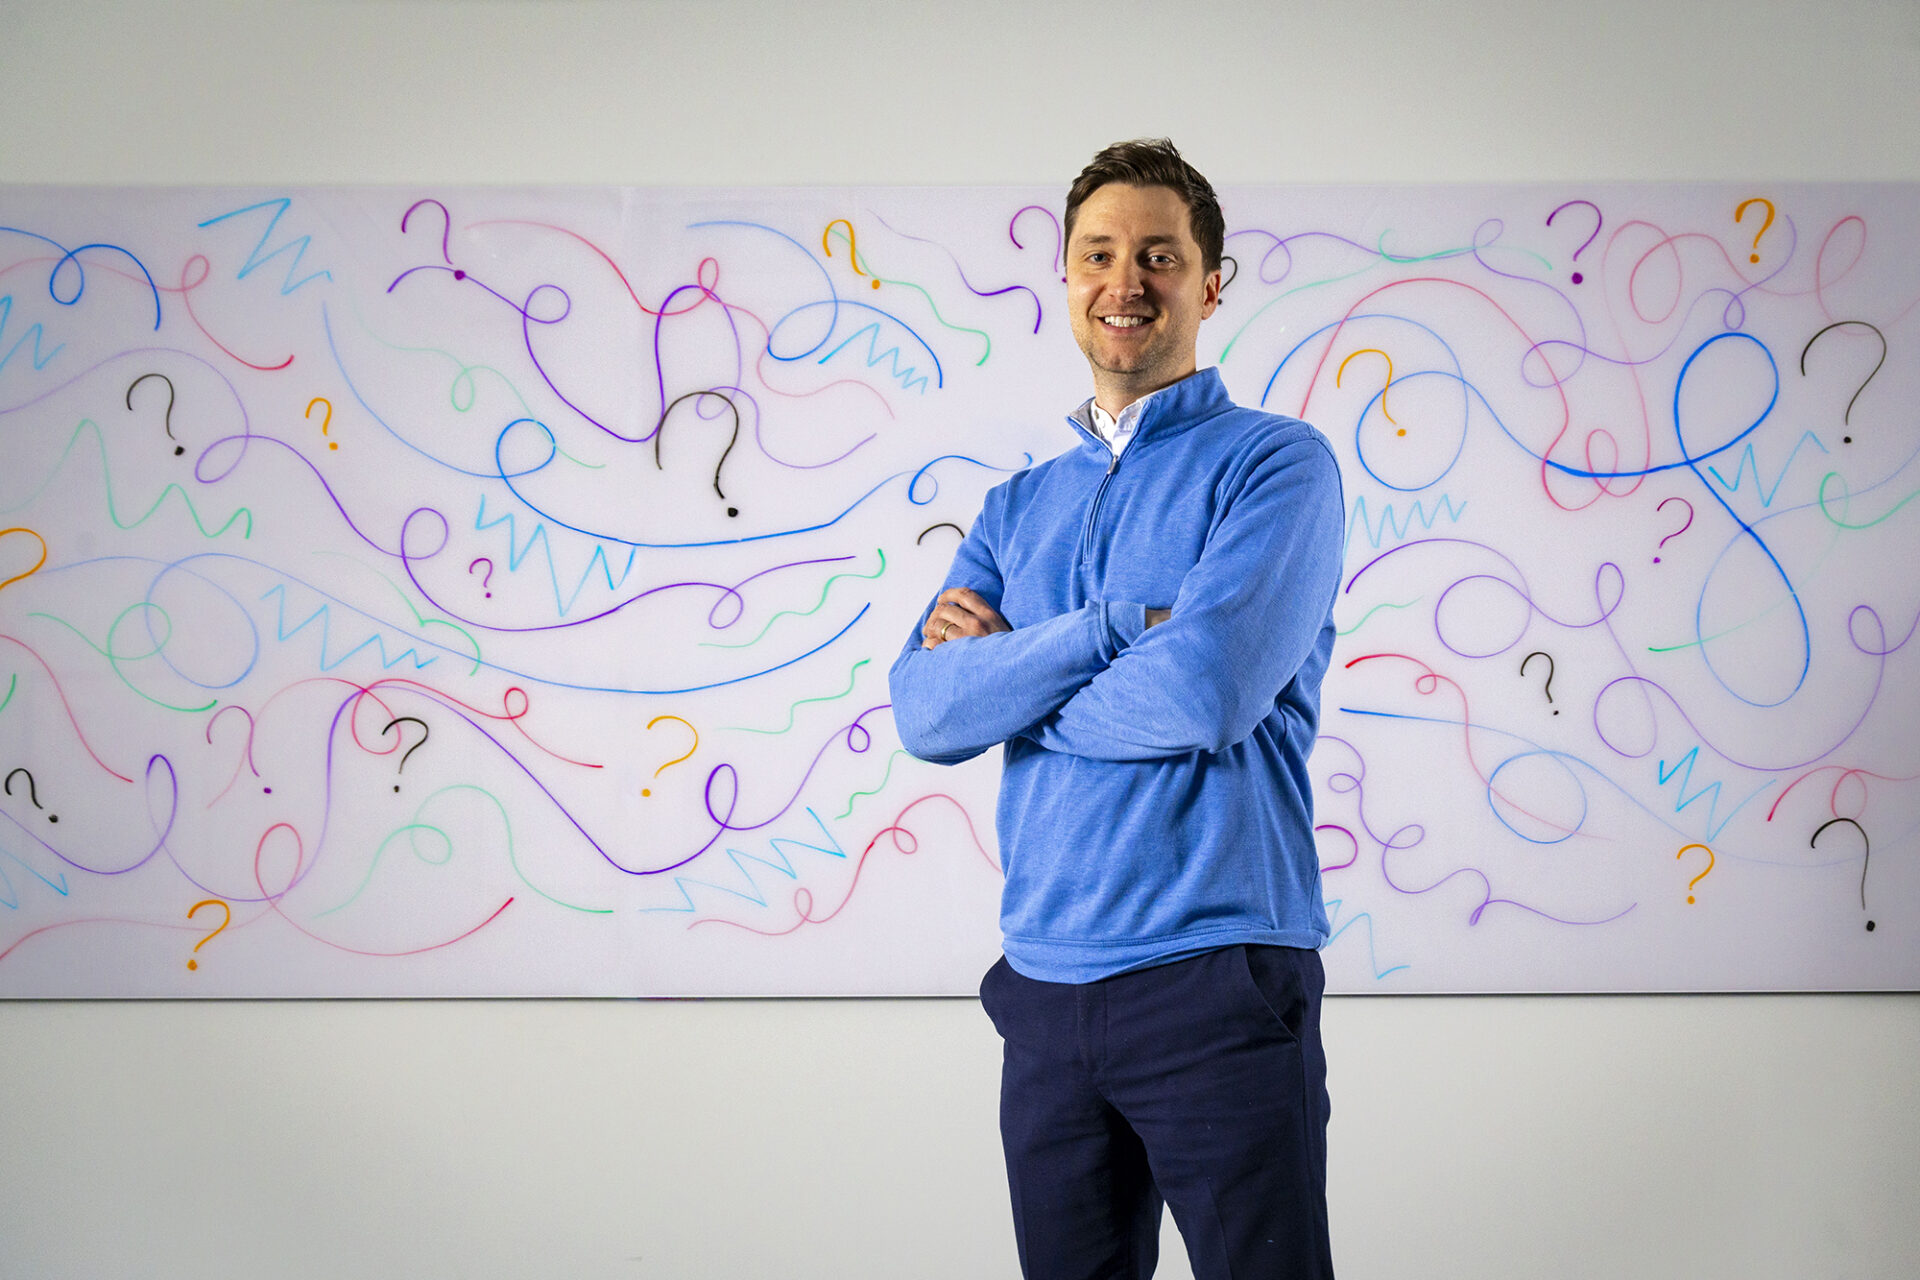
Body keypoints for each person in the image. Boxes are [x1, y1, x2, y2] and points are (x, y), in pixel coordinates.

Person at [888, 138, 1344, 1280]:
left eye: (1158, 254)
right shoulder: (1016, 503)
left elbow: (1204, 689)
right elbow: (927, 710)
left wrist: (1018, 684)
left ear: (1210, 282)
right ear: (1066, 275)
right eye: (1099, 254)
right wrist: (1109, 628)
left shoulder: (1276, 466)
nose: (1124, 281)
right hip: (1044, 990)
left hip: (1216, 973)